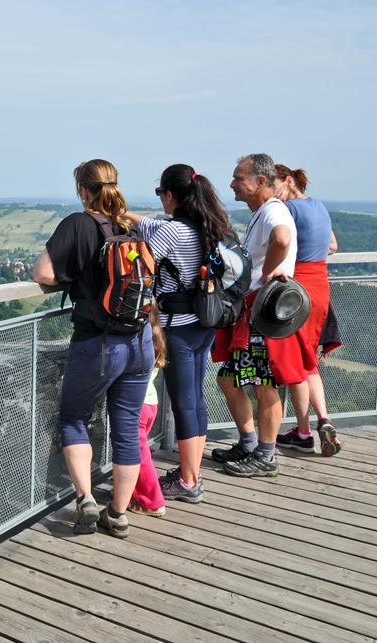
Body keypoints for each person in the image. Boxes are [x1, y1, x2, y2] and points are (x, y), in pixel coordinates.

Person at [34, 159, 153, 538]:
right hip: (140, 341)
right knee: (126, 428)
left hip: (98, 344)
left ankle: (85, 499)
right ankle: (117, 514)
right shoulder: (130, 225)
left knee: (73, 419)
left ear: (83, 190)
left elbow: (44, 275)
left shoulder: (78, 223)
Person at [123, 165, 236, 500]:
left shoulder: (173, 233)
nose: (160, 200)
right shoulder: (210, 227)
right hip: (204, 324)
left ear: (170, 196)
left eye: (161, 194)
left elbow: (140, 266)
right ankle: (192, 472)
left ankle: (188, 482)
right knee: (196, 399)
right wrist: (123, 213)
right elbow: (149, 224)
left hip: (178, 329)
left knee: (184, 403)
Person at [210, 153, 302, 477]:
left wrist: (270, 273)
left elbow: (282, 239)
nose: (232, 184)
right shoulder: (263, 211)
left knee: (264, 385)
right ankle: (250, 443)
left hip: (262, 311)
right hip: (255, 310)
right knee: (229, 379)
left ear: (261, 181)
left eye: (238, 177)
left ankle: (266, 455)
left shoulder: (274, 210)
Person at [274, 165, 342, 456]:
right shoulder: (318, 205)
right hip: (321, 286)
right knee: (308, 360)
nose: (272, 192)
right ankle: (323, 419)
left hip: (296, 289)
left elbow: (278, 244)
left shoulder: (287, 210)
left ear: (288, 182)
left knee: (295, 363)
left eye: (275, 184)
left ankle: (302, 432)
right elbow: (333, 245)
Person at [129, 302, 168, 517]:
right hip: (151, 403)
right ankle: (134, 495)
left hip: (139, 406)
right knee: (137, 451)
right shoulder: (155, 337)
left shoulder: (137, 339)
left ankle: (153, 501)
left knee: (139, 455)